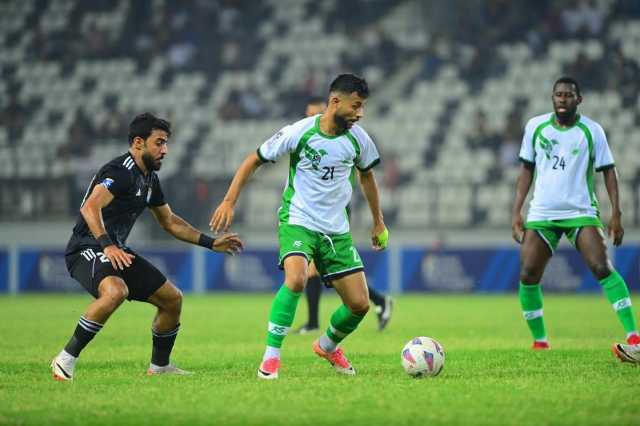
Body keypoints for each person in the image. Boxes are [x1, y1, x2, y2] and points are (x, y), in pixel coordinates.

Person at [210, 74, 389, 379]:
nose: (360, 113)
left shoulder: (359, 139)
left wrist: (378, 221)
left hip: (336, 230)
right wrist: (229, 201)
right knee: (296, 279)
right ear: (336, 101)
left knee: (359, 304)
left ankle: (328, 345)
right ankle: (270, 358)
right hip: (298, 220)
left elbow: (367, 177)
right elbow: (254, 159)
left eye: (362, 108)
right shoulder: (299, 132)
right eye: (356, 106)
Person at [51, 113, 243, 381]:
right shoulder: (120, 172)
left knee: (172, 299)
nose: (165, 150)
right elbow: (89, 207)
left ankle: (159, 366)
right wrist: (106, 245)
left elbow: (170, 222)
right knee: (116, 291)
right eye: (159, 143)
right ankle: (65, 359)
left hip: (116, 250)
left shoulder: (149, 179)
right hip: (87, 247)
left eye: (166, 144)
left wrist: (211, 243)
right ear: (139, 142)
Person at [511, 76, 639, 351]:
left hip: (580, 211)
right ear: (552, 98)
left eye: (568, 95)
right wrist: (517, 211)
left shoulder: (592, 131)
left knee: (601, 267)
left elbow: (609, 171)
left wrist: (616, 213)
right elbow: (526, 170)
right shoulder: (535, 127)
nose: (562, 99)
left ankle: (633, 336)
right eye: (558, 95)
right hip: (542, 212)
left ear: (578, 100)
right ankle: (540, 341)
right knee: (528, 274)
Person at [296, 96, 392, 334]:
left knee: (319, 270)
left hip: (334, 210)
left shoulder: (342, 137)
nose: (310, 119)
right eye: (307, 114)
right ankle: (378, 300)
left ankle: (314, 323)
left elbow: (364, 173)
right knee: (323, 270)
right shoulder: (309, 137)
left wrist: (377, 221)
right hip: (313, 211)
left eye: (314, 114)